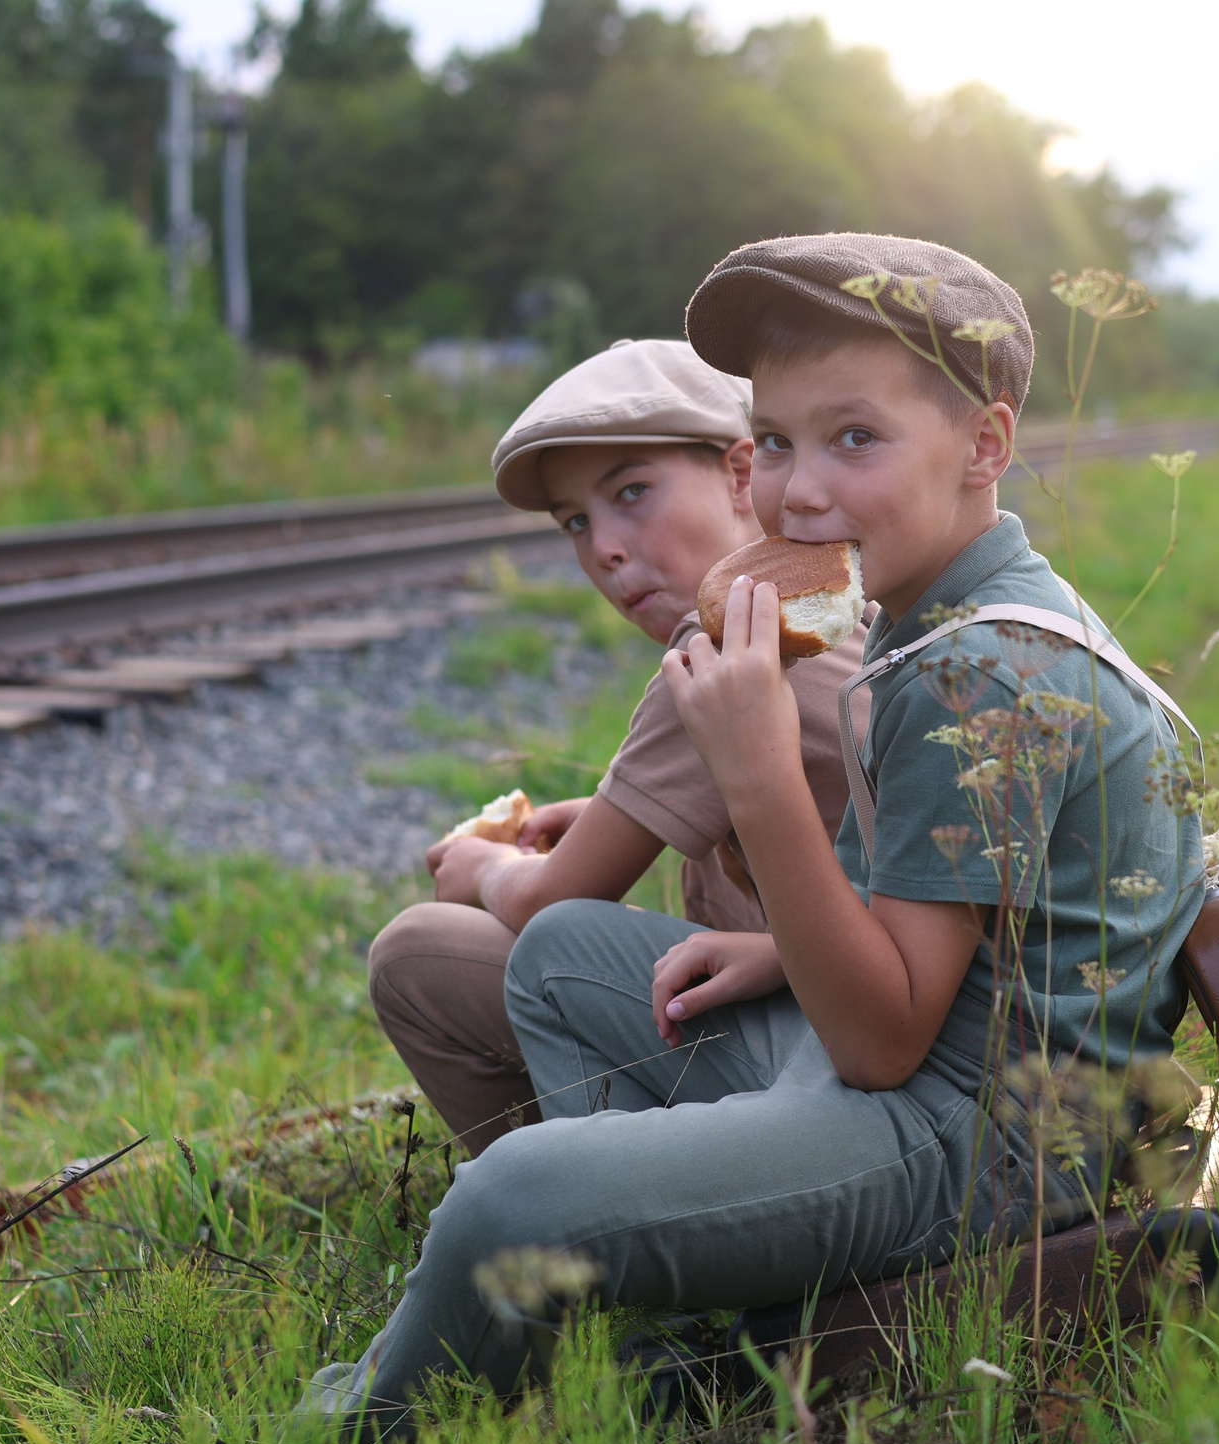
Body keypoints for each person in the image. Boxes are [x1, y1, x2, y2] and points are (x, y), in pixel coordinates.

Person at [307, 235, 1203, 1444]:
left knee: (507, 1199)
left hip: (984, 1145)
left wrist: (760, 773)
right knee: (565, 948)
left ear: (984, 445)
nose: (799, 490)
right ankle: (685, 1305)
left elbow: (883, 1042)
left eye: (855, 438)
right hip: (957, 1067)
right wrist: (781, 946)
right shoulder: (939, 616)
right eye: (776, 442)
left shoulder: (980, 669)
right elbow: (969, 910)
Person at [368, 337, 867, 1152]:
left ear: (741, 473)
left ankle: (559, 1214)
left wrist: (490, 868)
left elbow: (549, 897)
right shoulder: (827, 601)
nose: (602, 546)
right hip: (868, 1021)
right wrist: (604, 809)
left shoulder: (721, 643)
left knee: (416, 954)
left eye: (631, 491)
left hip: (831, 1056)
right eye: (576, 521)